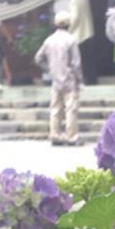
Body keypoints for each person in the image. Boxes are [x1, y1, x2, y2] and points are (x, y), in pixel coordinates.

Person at [35, 10, 83, 146]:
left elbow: (38, 58)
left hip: (55, 80)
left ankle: (55, 135)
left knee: (55, 109)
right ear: (69, 24)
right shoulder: (71, 40)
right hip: (69, 80)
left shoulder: (49, 40)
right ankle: (71, 136)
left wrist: (49, 69)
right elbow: (76, 63)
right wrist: (79, 79)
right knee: (71, 109)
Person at [63, 0, 96, 84]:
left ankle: (84, 80)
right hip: (88, 33)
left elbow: (75, 18)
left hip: (80, 35)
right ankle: (91, 80)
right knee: (89, 60)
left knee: (80, 60)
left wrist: (68, 31)